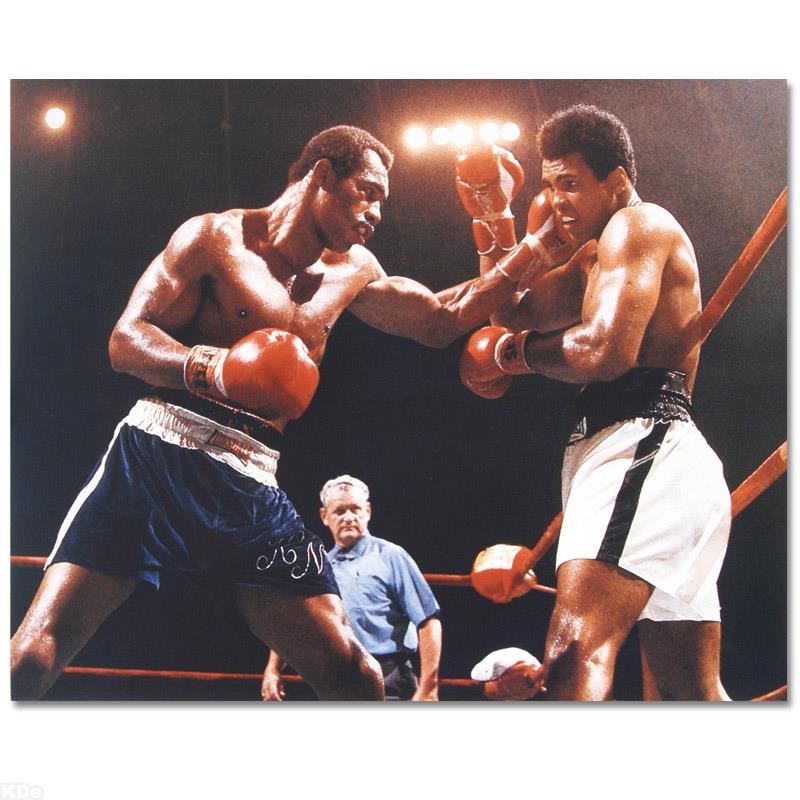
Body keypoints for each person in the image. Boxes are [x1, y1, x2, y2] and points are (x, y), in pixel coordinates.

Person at [10, 124, 535, 701]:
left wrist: (515, 230)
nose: (376, 213)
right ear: (322, 175)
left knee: (355, 675)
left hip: (252, 483)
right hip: (155, 460)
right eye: (367, 192)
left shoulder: (354, 269)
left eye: (382, 201)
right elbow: (126, 340)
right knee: (32, 656)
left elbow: (439, 319)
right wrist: (216, 369)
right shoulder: (215, 237)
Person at [460, 104, 731, 700]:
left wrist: (512, 356)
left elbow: (606, 351)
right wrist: (494, 218)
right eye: (550, 184)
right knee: (687, 695)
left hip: (642, 445)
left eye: (571, 183)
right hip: (650, 458)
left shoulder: (637, 225)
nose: (557, 200)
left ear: (618, 180)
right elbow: (508, 310)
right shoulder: (594, 255)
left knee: (574, 657)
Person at [262, 475, 441, 701]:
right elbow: (295, 621)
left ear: (368, 511)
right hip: (336, 679)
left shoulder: (391, 556)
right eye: (339, 511)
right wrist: (272, 669)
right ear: (324, 516)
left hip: (389, 677)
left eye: (355, 509)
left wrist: (429, 687)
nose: (348, 517)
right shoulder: (320, 566)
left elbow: (428, 621)